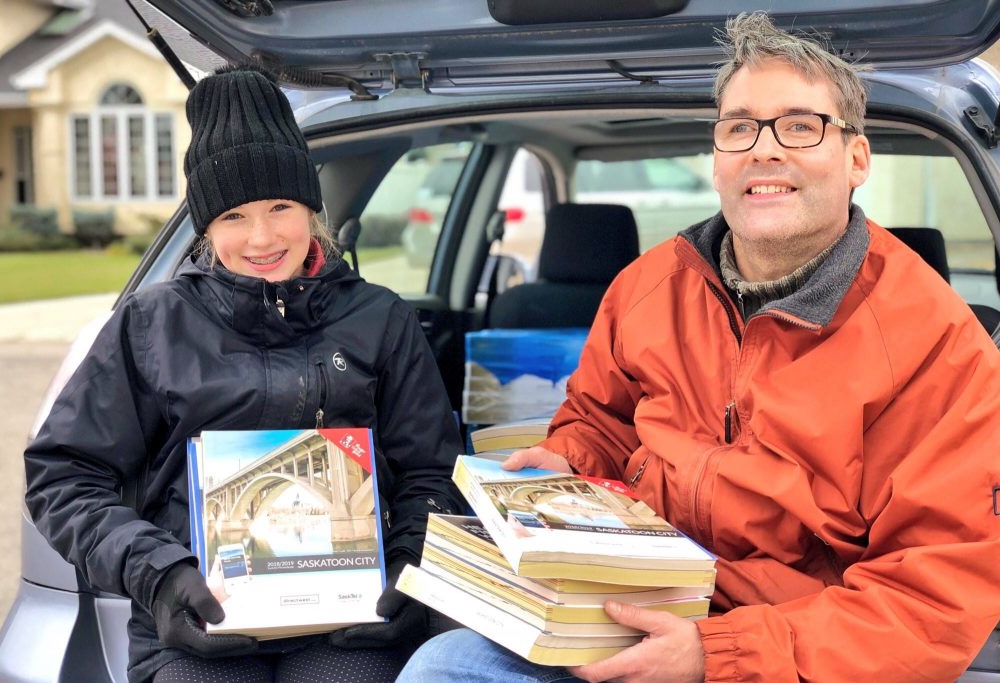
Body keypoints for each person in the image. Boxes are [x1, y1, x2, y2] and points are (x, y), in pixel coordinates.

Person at [397, 12, 1000, 683]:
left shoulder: (941, 347)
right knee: (442, 665)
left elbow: (931, 600)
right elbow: (601, 419)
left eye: (800, 125)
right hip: (625, 609)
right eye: (740, 126)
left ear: (856, 157)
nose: (764, 150)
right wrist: (567, 461)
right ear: (716, 158)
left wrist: (718, 654)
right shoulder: (647, 286)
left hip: (801, 654)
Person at [24, 64, 465, 683]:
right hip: (195, 626)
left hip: (346, 623)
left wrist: (409, 575)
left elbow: (430, 472)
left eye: (280, 206)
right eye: (233, 215)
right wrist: (162, 577)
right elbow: (64, 478)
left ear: (311, 210)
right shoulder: (150, 324)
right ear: (205, 225)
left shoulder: (379, 318)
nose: (261, 237)